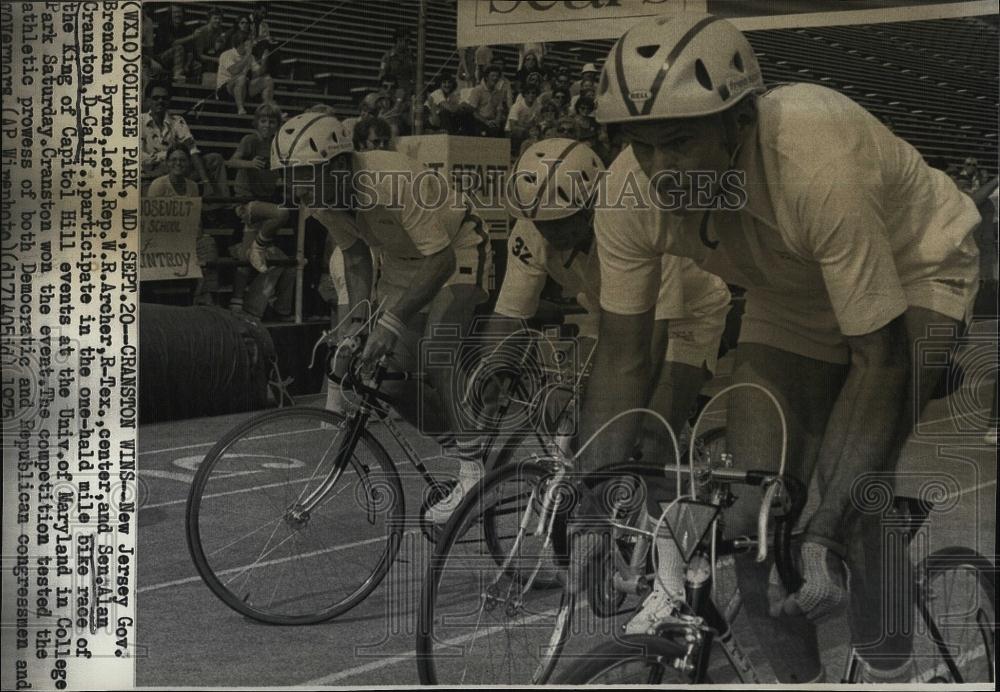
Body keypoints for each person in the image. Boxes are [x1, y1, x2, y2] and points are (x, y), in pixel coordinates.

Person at [578, 12, 981, 684]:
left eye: (679, 142)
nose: (660, 171)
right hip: (789, 291)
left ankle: (899, 675)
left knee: (850, 503)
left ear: (740, 124)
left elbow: (879, 360)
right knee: (750, 522)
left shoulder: (812, 157)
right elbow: (622, 359)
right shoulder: (626, 194)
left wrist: (824, 525)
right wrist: (595, 507)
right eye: (642, 148)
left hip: (915, 268)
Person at [418, 139, 732, 524]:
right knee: (569, 407)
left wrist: (626, 417)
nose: (549, 233)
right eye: (541, 223)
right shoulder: (532, 228)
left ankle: (670, 576)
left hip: (688, 317)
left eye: (560, 223)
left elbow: (648, 346)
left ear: (589, 208)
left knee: (650, 434)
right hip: (611, 311)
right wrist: (489, 379)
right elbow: (508, 319)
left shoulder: (632, 217)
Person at [261, 113, 493, 465]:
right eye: (289, 177)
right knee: (384, 380)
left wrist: (390, 322)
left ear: (337, 165)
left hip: (456, 247)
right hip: (402, 260)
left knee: (437, 352)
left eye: (303, 176)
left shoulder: (391, 177)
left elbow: (441, 260)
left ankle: (472, 470)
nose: (296, 189)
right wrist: (356, 324)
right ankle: (467, 449)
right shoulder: (321, 198)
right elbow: (355, 258)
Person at [146, 144, 219, 305]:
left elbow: (195, 218)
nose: (178, 163)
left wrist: (198, 234)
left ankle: (202, 294)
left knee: (208, 243)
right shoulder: (159, 185)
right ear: (167, 163)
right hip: (164, 237)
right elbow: (151, 221)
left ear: (188, 163)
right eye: (173, 160)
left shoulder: (192, 186)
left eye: (182, 160)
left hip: (185, 236)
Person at [140, 81, 228, 201]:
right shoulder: (138, 121)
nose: (160, 101)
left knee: (215, 159)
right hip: (150, 176)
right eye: (156, 98)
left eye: (164, 98)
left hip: (176, 169)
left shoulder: (177, 121)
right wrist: (166, 158)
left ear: (169, 101)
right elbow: (141, 158)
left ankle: (220, 205)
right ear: (148, 100)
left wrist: (206, 181)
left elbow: (192, 149)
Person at [227, 103, 282, 201]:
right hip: (246, 197)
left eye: (272, 122)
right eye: (263, 121)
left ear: (277, 125)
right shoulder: (250, 140)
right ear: (257, 123)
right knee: (282, 214)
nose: (267, 125)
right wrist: (250, 163)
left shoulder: (277, 143)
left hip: (267, 195)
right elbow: (231, 162)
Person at [217, 33, 277, 116]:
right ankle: (240, 108)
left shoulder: (250, 57)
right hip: (225, 89)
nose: (252, 45)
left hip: (243, 86)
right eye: (249, 43)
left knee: (268, 80)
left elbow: (258, 73)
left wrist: (264, 60)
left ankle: (269, 109)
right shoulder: (227, 54)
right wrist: (248, 54)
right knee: (241, 78)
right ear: (241, 44)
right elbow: (235, 71)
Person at [464, 64, 507, 138]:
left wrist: (497, 121)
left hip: (492, 121)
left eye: (497, 76)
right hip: (480, 121)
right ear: (487, 77)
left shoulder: (499, 92)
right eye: (493, 76)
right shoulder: (478, 90)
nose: (495, 78)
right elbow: (473, 111)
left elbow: (499, 110)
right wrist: (486, 122)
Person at [379, 28, 416, 96]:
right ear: (398, 40)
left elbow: (414, 76)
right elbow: (382, 76)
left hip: (408, 94)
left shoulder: (411, 57)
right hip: (393, 93)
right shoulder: (388, 57)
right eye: (406, 41)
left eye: (409, 41)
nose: (408, 43)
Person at [506, 83, 542, 152]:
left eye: (533, 93)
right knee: (521, 133)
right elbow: (513, 126)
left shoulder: (538, 106)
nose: (531, 95)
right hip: (512, 132)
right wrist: (528, 129)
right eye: (528, 93)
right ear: (524, 94)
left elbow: (538, 122)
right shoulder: (517, 106)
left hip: (530, 131)